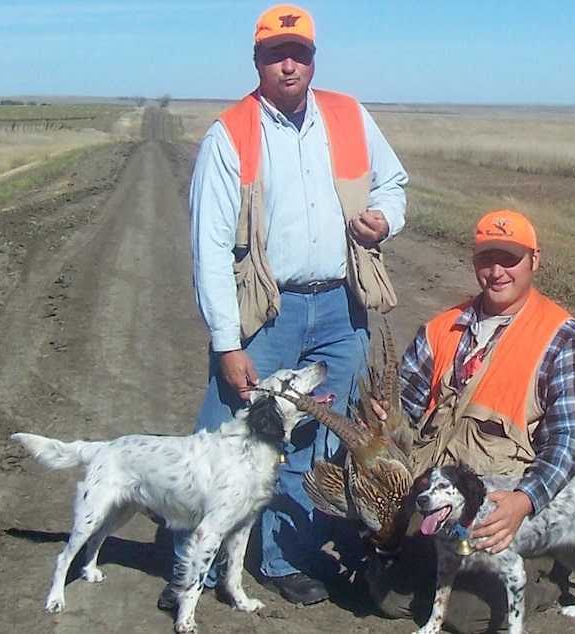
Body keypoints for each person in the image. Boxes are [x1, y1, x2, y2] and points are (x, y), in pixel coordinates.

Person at [173, 3, 408, 608]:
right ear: (257, 61)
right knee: (227, 437)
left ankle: (282, 556)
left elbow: (393, 182)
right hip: (266, 313)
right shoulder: (230, 134)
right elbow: (208, 248)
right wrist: (227, 343)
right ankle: (188, 574)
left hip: (339, 307)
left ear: (312, 58)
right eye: (276, 54)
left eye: (299, 53)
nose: (288, 65)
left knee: (320, 436)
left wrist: (386, 219)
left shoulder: (348, 115)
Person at [366, 209, 575, 632]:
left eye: (509, 259)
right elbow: (408, 405)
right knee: (388, 596)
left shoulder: (560, 335)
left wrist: (524, 501)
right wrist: (388, 423)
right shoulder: (441, 328)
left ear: (535, 260)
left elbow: (574, 436)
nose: (496, 272)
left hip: (503, 506)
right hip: (442, 495)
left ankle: (545, 573)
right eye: (486, 259)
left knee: (469, 618)